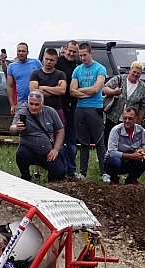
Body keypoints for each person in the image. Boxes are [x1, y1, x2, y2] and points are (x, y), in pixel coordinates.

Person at [70, 43, 108, 179]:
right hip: (80, 109)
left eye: (84, 55)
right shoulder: (77, 70)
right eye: (80, 55)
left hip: (95, 108)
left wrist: (80, 90)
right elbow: (72, 91)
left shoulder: (100, 68)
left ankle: (104, 172)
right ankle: (83, 173)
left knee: (99, 142)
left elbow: (97, 89)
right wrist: (87, 92)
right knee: (83, 143)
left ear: (91, 53)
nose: (82, 58)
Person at [102, 61, 145, 168]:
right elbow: (105, 89)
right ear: (130, 71)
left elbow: (143, 105)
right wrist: (114, 92)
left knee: (126, 143)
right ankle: (106, 162)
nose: (135, 75)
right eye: (134, 72)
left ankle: (125, 163)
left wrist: (139, 120)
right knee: (109, 139)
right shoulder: (119, 79)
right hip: (113, 116)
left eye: (138, 73)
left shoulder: (142, 86)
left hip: (130, 120)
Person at [12, 91, 65, 182]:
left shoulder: (50, 112)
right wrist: (16, 127)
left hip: (47, 153)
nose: (33, 107)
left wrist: (55, 149)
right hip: (29, 150)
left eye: (36, 104)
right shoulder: (22, 112)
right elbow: (11, 129)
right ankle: (25, 177)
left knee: (60, 172)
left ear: (42, 104)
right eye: (31, 104)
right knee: (21, 154)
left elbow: (60, 130)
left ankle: (51, 182)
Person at [104, 106, 145, 184]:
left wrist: (143, 150)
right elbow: (112, 152)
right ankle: (114, 180)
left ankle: (132, 179)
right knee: (115, 161)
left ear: (136, 119)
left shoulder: (140, 129)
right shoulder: (115, 130)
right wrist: (133, 156)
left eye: (130, 119)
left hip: (131, 161)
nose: (127, 121)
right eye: (125, 118)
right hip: (114, 162)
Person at [55, 42, 81, 178]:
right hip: (59, 106)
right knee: (59, 138)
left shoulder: (79, 65)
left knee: (71, 140)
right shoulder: (58, 63)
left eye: (74, 52)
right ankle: (61, 168)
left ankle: (71, 169)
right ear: (65, 50)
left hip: (74, 106)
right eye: (70, 51)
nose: (71, 54)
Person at [6, 43, 40, 115]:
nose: (21, 53)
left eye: (23, 51)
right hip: (21, 102)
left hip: (36, 100)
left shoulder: (36, 63)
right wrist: (12, 105)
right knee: (21, 122)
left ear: (28, 52)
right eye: (19, 51)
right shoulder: (11, 66)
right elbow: (10, 86)